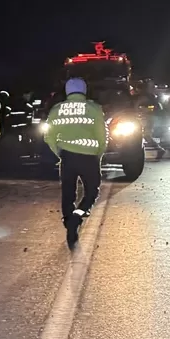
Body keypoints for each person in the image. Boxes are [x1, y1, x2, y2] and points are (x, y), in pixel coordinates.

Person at [43, 76, 107, 247]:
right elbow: (102, 137)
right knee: (91, 192)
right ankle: (77, 216)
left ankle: (69, 220)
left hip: (67, 157)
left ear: (67, 91)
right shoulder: (94, 108)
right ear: (84, 90)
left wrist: (59, 153)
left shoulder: (57, 109)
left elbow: (49, 136)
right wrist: (98, 154)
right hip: (89, 158)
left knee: (68, 193)